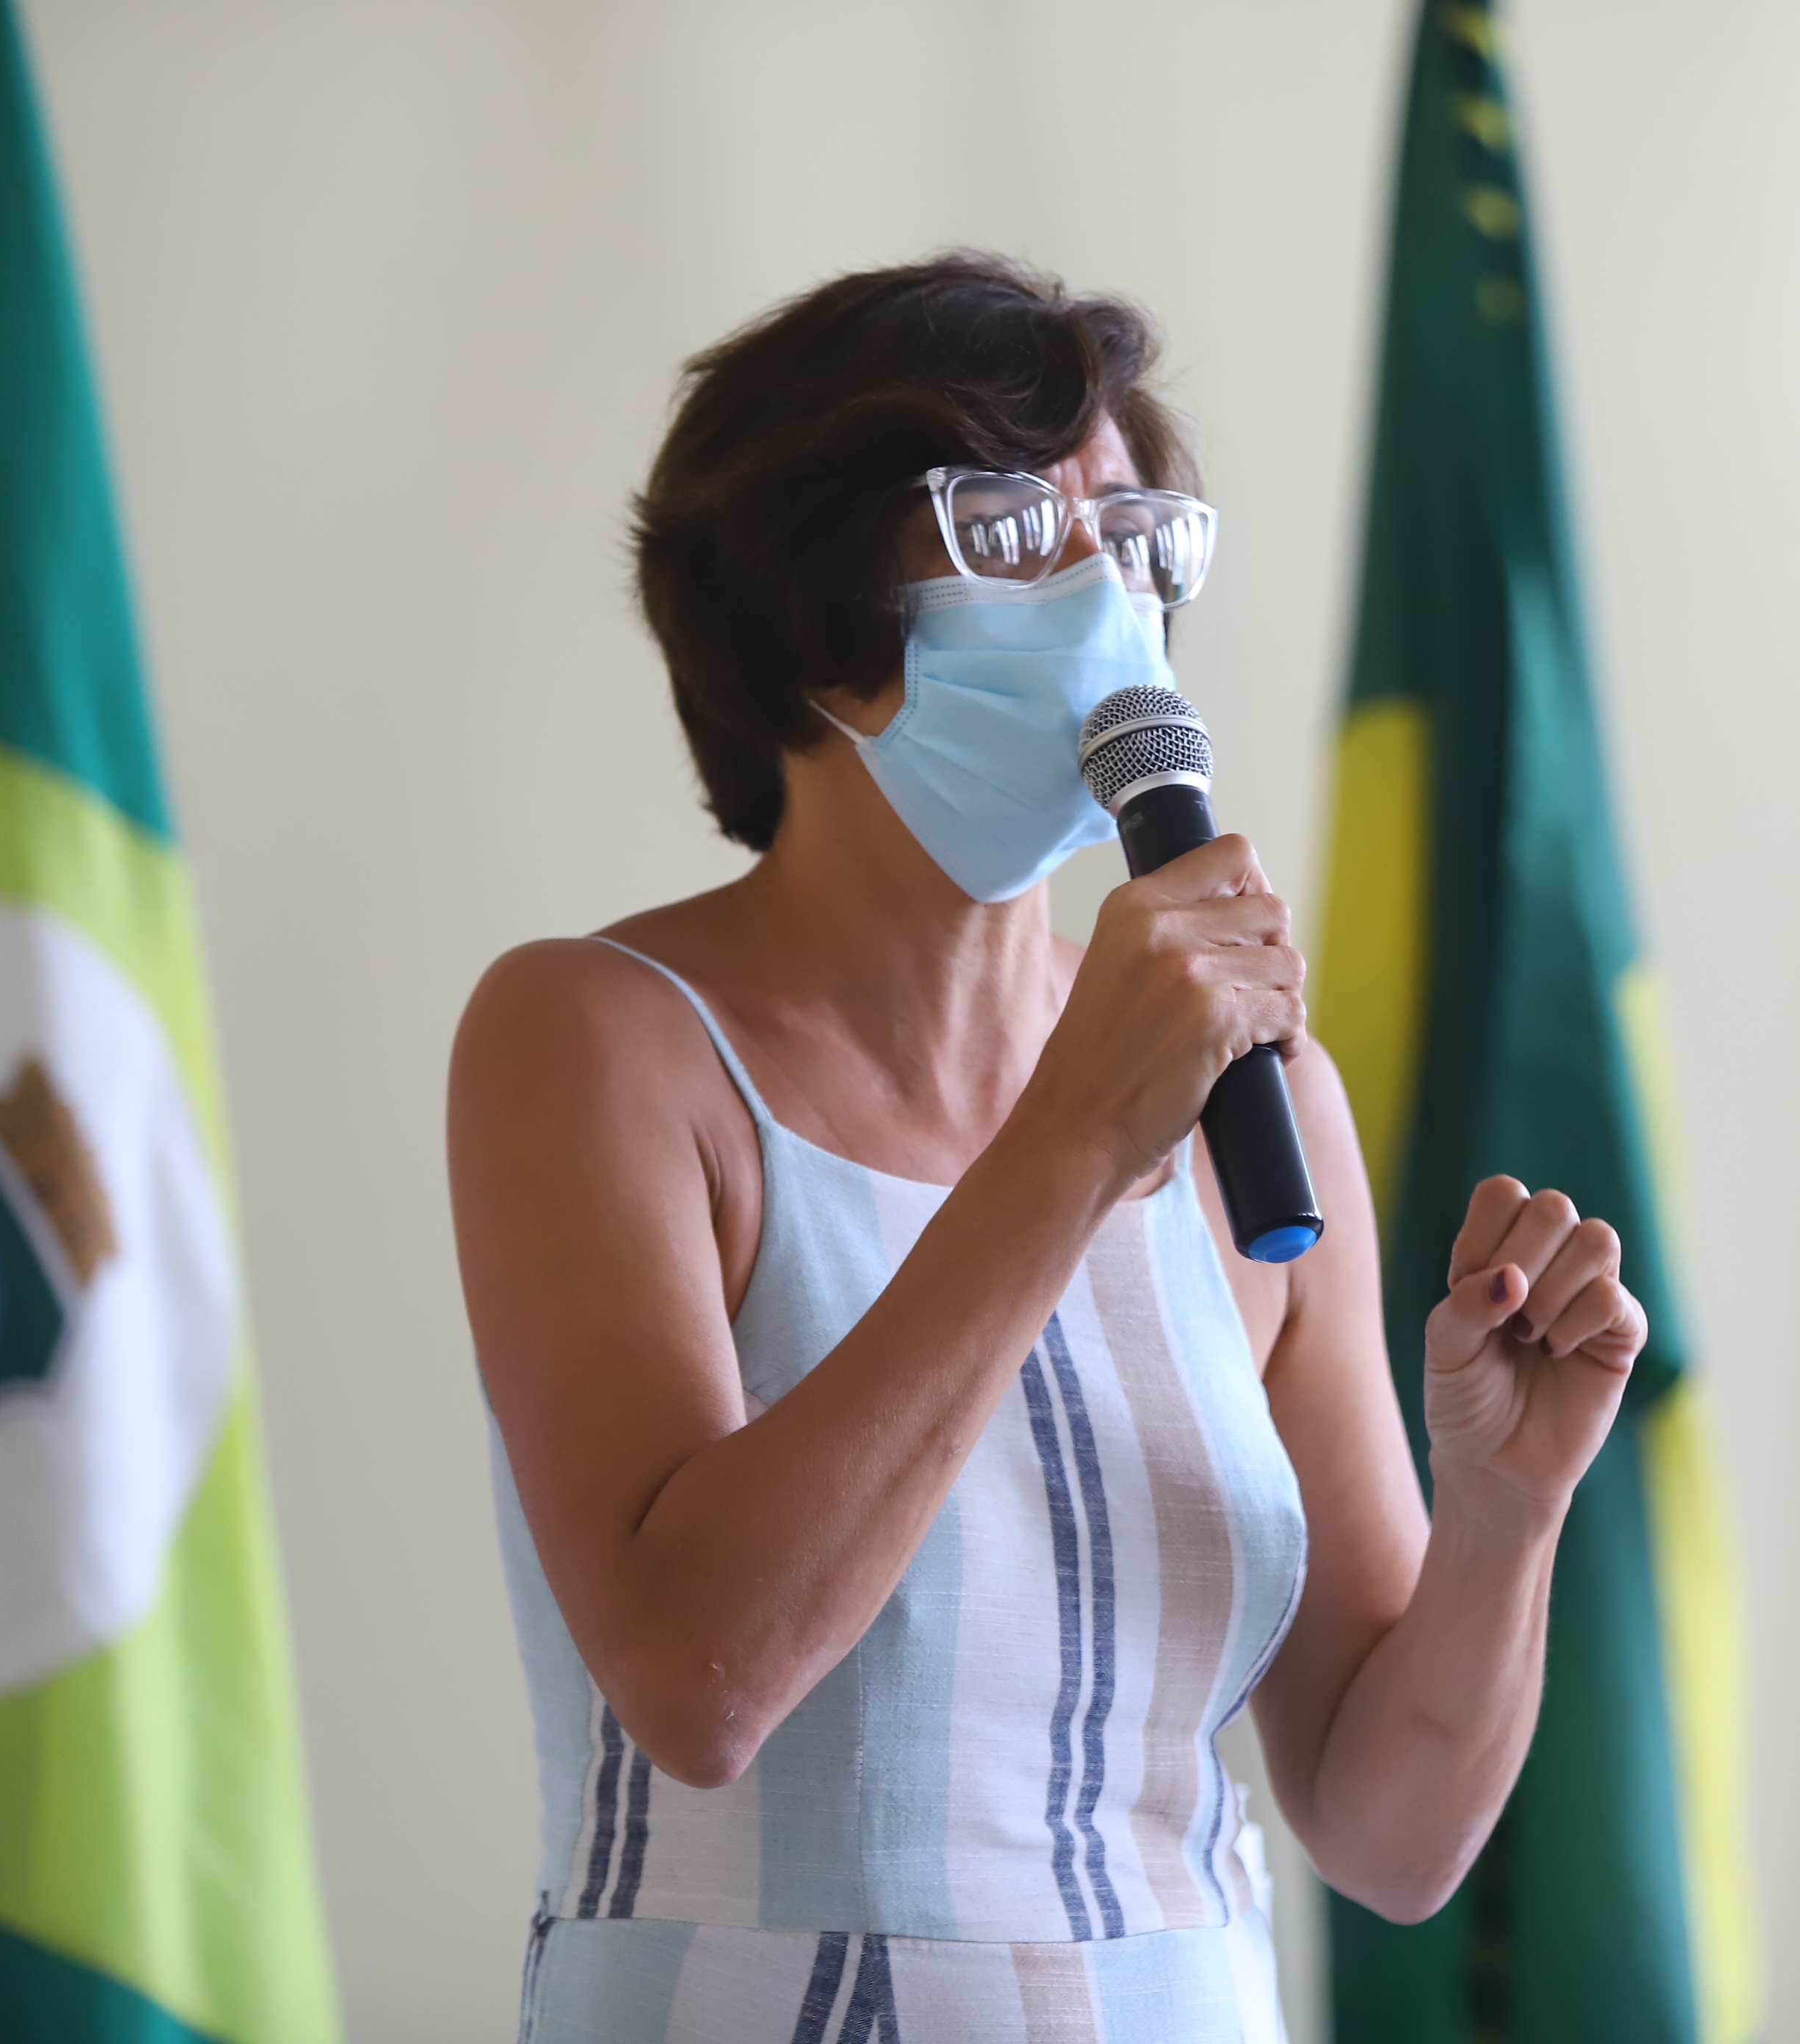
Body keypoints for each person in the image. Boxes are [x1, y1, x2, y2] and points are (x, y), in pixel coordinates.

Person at [448, 252, 1646, 2043]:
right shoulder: (595, 1036)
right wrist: (1076, 1139)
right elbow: (700, 1681)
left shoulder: (1266, 1098)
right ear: (813, 617)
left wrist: (1505, 1512)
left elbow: (1393, 1838)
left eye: (1136, 536)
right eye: (1014, 533)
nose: (1105, 595)